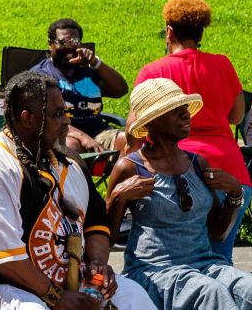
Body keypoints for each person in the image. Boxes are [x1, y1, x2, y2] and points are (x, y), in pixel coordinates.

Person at [0, 71, 154, 310]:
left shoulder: (69, 162)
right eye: (57, 114)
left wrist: (96, 267)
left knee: (132, 296)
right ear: (27, 118)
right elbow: (4, 259)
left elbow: (96, 224)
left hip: (61, 282)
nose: (67, 122)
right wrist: (55, 297)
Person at [108, 78, 252, 310]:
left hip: (206, 265)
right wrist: (117, 198)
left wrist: (234, 194)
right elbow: (106, 238)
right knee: (210, 293)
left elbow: (216, 234)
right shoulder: (131, 167)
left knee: (248, 287)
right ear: (152, 121)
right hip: (155, 271)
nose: (186, 115)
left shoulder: (197, 164)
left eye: (184, 109)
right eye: (175, 111)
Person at [129, 0, 251, 264]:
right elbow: (237, 115)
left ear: (169, 31)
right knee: (220, 263)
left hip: (181, 173)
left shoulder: (153, 71)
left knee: (180, 264)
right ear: (201, 32)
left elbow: (132, 127)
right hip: (232, 171)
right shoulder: (222, 63)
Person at [31, 19, 129, 154]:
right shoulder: (41, 75)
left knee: (129, 141)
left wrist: (96, 62)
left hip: (98, 133)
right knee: (71, 146)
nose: (69, 48)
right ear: (50, 44)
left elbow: (120, 90)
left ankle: (123, 175)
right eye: (63, 42)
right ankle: (74, 175)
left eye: (75, 42)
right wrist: (84, 138)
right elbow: (48, 118)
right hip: (63, 135)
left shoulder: (89, 70)